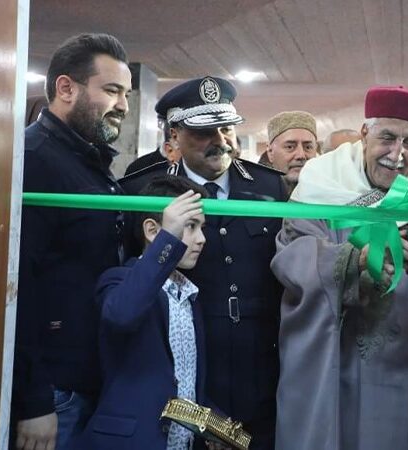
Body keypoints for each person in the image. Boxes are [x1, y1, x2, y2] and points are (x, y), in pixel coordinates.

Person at [272, 86, 408, 450]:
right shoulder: (320, 188)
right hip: (331, 365)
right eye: (387, 138)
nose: (397, 154)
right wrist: (356, 260)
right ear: (365, 133)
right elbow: (292, 258)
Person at [120, 76, 286, 450]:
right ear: (174, 135)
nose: (220, 140)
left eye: (226, 128)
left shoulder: (269, 188)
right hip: (186, 366)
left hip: (260, 365)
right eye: (204, 132)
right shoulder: (143, 191)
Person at [14, 33, 132, 450]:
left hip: (87, 379)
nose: (124, 105)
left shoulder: (89, 162)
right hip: (55, 391)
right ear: (66, 88)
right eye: (112, 91)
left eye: (126, 94)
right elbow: (16, 288)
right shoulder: (35, 160)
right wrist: (33, 401)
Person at [77, 176, 214, 449]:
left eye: (202, 227)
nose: (202, 239)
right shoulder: (118, 280)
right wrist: (167, 240)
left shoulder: (189, 295)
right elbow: (122, 315)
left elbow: (182, 385)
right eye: (190, 226)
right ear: (152, 231)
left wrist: (213, 426)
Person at [264, 111, 318, 195]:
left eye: (308, 147)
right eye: (290, 147)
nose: (301, 155)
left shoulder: (331, 197)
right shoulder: (251, 197)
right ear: (270, 152)